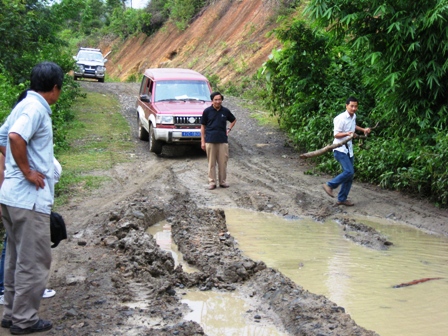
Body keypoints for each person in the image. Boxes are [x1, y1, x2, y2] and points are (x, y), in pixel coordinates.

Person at [0, 61, 64, 334]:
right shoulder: (36, 108)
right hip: (29, 200)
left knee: (15, 257)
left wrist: (15, 169)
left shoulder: (22, 105)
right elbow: (14, 137)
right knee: (33, 261)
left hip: (12, 197)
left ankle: (11, 313)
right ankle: (24, 320)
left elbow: (3, 137)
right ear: (54, 88)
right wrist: (27, 171)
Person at [0, 156, 61, 305]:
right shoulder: (14, 141)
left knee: (16, 246)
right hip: (21, 202)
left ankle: (13, 290)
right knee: (23, 249)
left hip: (25, 199)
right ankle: (12, 292)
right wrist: (28, 173)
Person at [323, 97, 371, 206]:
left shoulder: (353, 116)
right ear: (346, 106)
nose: (354, 108)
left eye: (356, 106)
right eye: (352, 106)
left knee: (350, 175)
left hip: (349, 149)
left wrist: (363, 129)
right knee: (349, 171)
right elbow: (336, 134)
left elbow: (353, 126)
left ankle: (342, 199)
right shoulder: (340, 118)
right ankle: (330, 185)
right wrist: (348, 134)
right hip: (339, 149)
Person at [201, 92, 237, 190]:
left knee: (223, 162)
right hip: (210, 140)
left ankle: (223, 182)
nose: (218, 101)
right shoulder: (207, 111)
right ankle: (212, 182)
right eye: (216, 99)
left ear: (222, 100)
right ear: (212, 100)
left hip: (222, 141)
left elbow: (233, 120)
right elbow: (203, 126)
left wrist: (229, 129)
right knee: (211, 163)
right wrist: (203, 141)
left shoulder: (225, 111)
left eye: (219, 99)